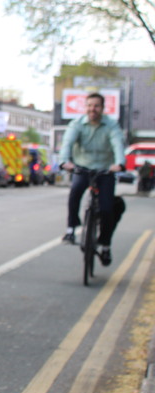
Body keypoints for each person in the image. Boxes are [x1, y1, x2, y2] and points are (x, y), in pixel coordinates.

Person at [60, 93, 125, 265]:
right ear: (85, 107)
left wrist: (119, 163)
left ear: (102, 108)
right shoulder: (77, 124)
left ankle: (105, 245)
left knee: (107, 208)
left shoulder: (111, 125)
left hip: (105, 171)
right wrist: (64, 161)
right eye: (89, 105)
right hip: (83, 168)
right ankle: (71, 229)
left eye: (96, 106)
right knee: (75, 191)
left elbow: (117, 143)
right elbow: (67, 143)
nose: (92, 109)